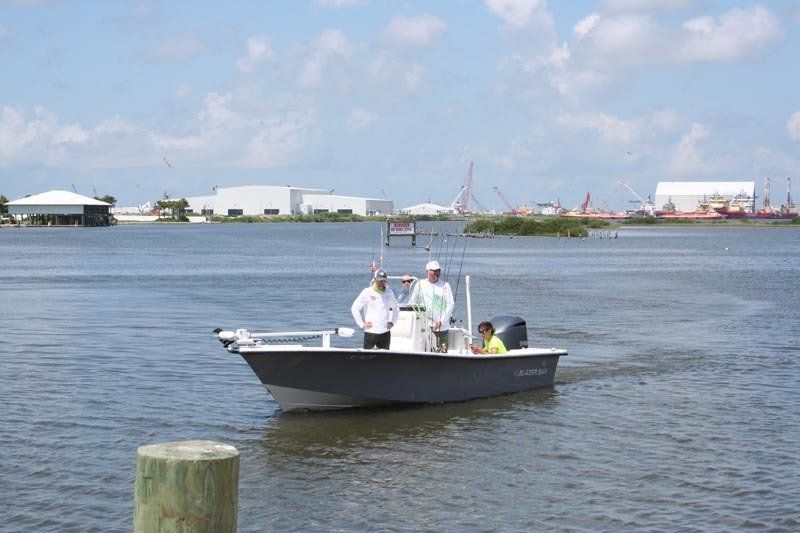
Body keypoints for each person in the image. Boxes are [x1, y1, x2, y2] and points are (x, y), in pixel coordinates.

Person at [409, 260, 454, 351]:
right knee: (426, 350)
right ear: (427, 271)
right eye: (434, 271)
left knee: (443, 351)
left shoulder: (445, 285)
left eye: (438, 271)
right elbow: (412, 302)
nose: (437, 273)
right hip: (425, 326)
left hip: (442, 327)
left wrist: (441, 321)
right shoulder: (420, 284)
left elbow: (450, 304)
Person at [351, 269, 399, 349]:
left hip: (385, 332)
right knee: (367, 358)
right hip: (371, 332)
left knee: (385, 357)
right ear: (375, 279)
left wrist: (393, 322)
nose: (381, 283)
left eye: (383, 281)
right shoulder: (367, 292)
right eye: (379, 280)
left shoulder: (389, 292)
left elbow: (396, 308)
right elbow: (354, 308)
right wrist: (362, 324)